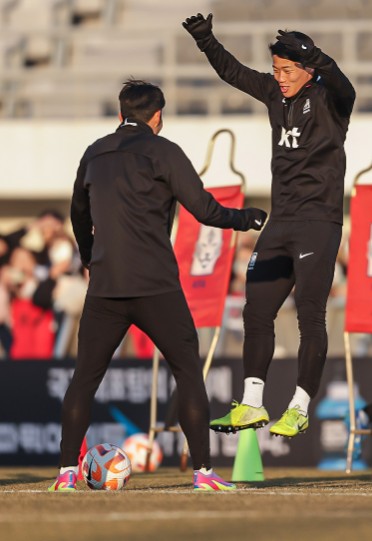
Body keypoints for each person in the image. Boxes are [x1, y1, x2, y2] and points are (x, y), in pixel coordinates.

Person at [49, 78, 267, 492]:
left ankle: (65, 473)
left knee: (84, 380)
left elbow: (78, 213)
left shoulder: (94, 152)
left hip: (106, 287)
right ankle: (202, 471)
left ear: (120, 114)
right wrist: (247, 218)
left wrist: (88, 256)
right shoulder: (165, 152)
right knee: (187, 372)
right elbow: (204, 210)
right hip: (155, 286)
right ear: (158, 116)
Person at [183, 14, 355, 438]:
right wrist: (206, 40)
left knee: (309, 315)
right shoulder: (273, 94)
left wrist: (319, 58)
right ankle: (253, 404)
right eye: (275, 70)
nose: (278, 78)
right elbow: (233, 72)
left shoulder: (330, 98)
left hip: (319, 222)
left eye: (287, 70)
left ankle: (299, 406)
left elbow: (346, 87)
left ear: (307, 69)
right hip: (280, 223)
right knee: (255, 311)